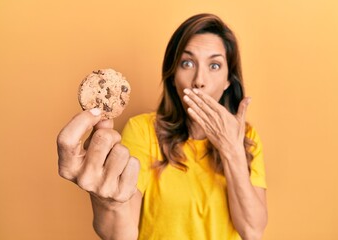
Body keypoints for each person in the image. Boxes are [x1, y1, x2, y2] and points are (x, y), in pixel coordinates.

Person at [57, 13, 268, 240]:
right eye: (187, 63)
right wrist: (107, 202)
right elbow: (122, 234)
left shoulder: (246, 136)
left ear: (229, 79)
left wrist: (232, 151)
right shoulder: (142, 130)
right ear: (172, 75)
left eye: (214, 65)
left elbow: (252, 231)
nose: (199, 80)